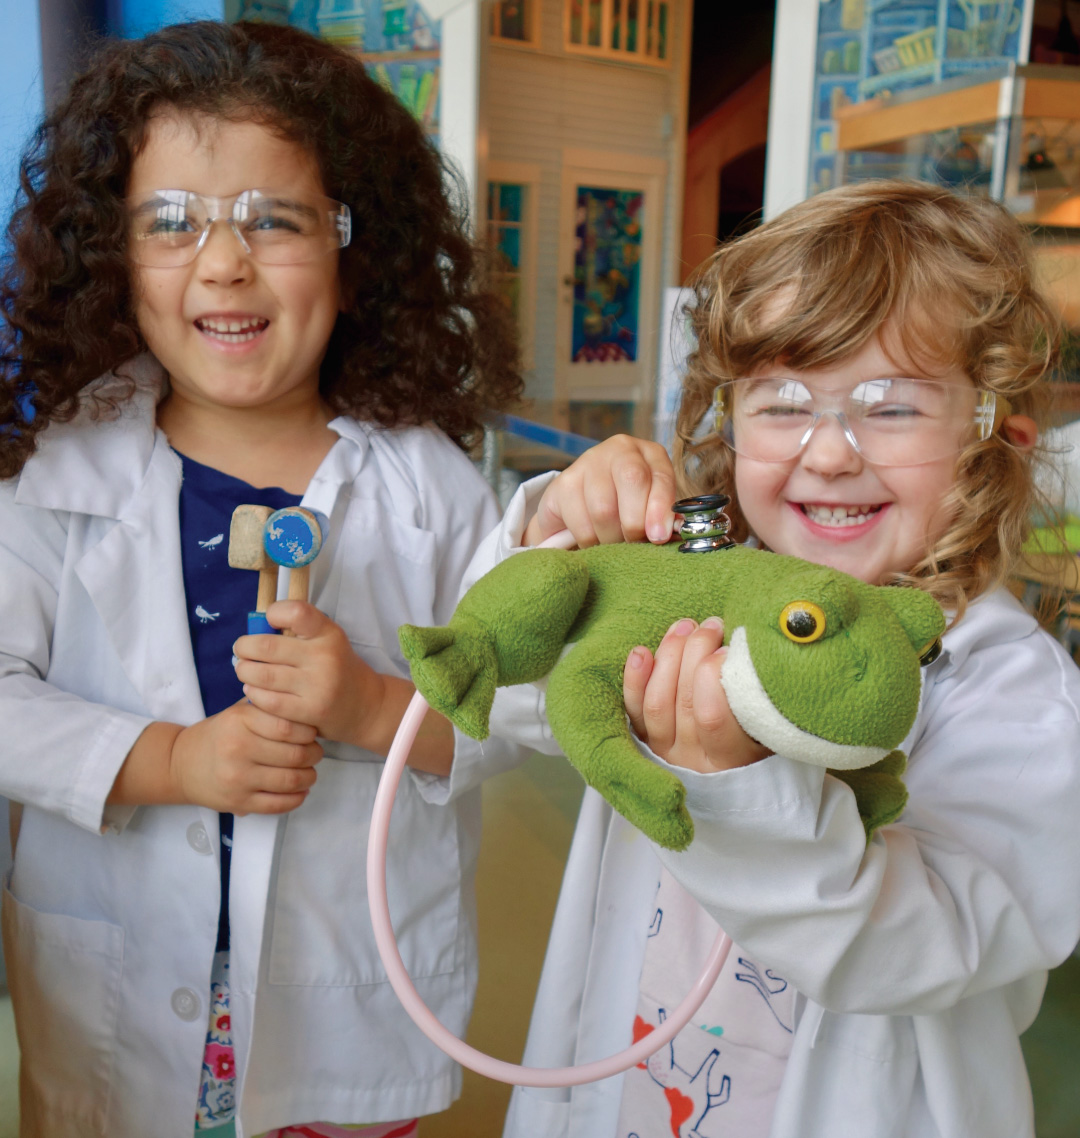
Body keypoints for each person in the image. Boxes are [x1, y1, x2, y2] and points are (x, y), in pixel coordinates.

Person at [463, 181, 1080, 1138]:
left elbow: (923, 950)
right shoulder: (681, 595)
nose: (829, 454)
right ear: (726, 420)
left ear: (990, 431)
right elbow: (503, 705)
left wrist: (741, 785)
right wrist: (559, 541)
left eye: (892, 405)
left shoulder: (1015, 692)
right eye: (784, 402)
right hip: (626, 1098)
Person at [0, 21, 526, 1138]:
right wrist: (172, 760)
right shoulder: (51, 478)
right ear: (112, 256)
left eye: (274, 219)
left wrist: (376, 706)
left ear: (354, 251)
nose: (224, 260)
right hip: (116, 1003)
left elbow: (518, 717)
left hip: (346, 1019)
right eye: (171, 222)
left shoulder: (432, 491)